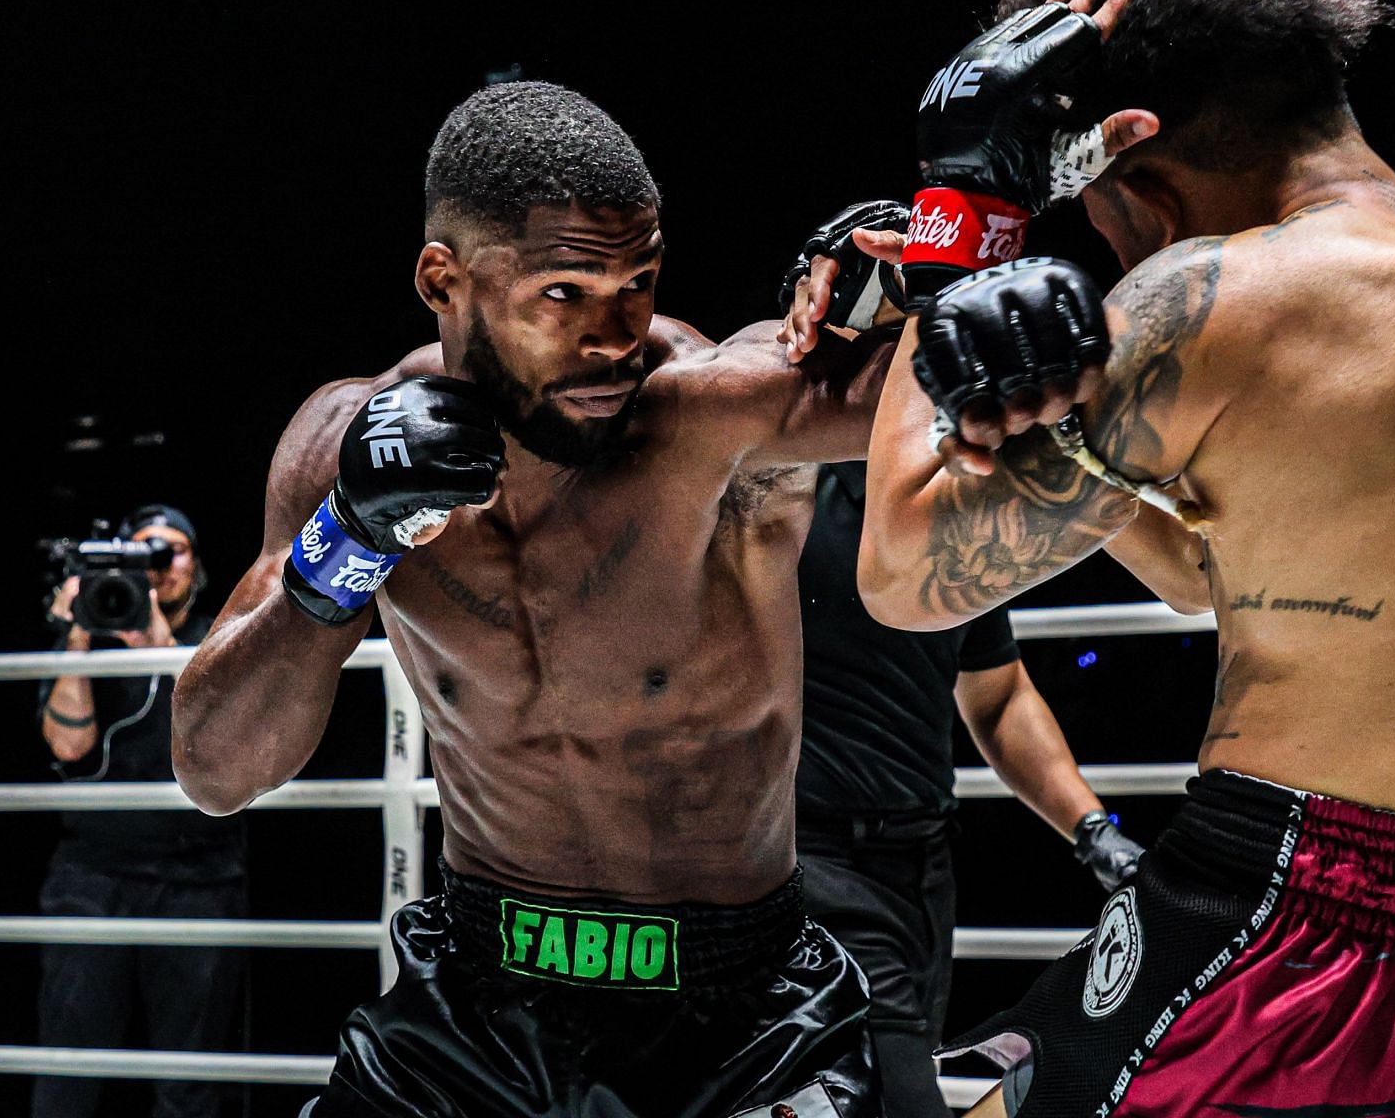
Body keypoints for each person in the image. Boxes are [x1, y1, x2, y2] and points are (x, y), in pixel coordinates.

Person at [856, 0, 1395, 1116]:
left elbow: (903, 573)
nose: (1110, 248)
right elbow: (1200, 571)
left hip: (1298, 954)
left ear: (1123, 143)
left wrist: (963, 212)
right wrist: (1048, 425)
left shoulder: (1230, 295)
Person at [171, 80, 902, 1117]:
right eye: (566, 291)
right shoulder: (346, 444)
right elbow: (213, 768)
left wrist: (945, 251)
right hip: (474, 997)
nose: (615, 334)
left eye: (638, 281)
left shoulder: (711, 414)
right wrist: (352, 539)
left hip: (739, 1015)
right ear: (444, 279)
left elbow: (964, 387)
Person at [794, 455, 1144, 1118]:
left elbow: (998, 696)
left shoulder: (950, 514)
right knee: (901, 1102)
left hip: (922, 877)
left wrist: (1094, 832)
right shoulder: (780, 492)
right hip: (811, 871)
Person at [35, 504, 247, 1118]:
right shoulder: (85, 645)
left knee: (190, 1082)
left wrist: (155, 641)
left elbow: (218, 737)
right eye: (141, 553)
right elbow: (68, 747)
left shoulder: (224, 636)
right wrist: (77, 631)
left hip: (200, 878)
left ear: (196, 565)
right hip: (93, 875)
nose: (155, 569)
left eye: (168, 553)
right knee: (67, 1070)